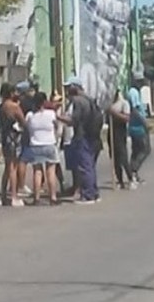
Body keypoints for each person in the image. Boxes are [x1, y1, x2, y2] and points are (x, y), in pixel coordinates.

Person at [59, 76, 99, 204]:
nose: (66, 90)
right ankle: (93, 192)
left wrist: (58, 117)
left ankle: (88, 195)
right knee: (90, 166)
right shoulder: (89, 99)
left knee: (84, 166)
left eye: (68, 87)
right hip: (93, 135)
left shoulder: (78, 101)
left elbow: (73, 121)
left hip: (82, 136)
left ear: (74, 87)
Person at [22, 92, 60, 205]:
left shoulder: (30, 115)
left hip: (35, 144)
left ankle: (37, 198)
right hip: (49, 143)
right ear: (44, 102)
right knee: (51, 172)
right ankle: (53, 197)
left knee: (37, 172)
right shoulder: (51, 114)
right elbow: (57, 125)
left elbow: (26, 127)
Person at [0, 83, 25, 207]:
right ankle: (14, 196)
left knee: (7, 167)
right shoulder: (14, 107)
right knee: (13, 167)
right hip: (14, 137)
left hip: (5, 137)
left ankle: (3, 195)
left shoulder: (2, 107)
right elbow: (23, 121)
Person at [108, 89, 133, 189]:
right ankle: (120, 180)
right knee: (114, 158)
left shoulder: (123, 103)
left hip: (120, 131)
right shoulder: (109, 104)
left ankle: (130, 178)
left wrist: (114, 113)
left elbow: (126, 118)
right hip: (111, 131)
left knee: (123, 157)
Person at [127, 79, 150, 185]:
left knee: (136, 151)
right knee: (145, 150)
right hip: (138, 127)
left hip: (135, 126)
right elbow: (135, 110)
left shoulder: (133, 92)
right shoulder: (133, 92)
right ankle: (133, 169)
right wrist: (144, 123)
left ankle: (133, 175)